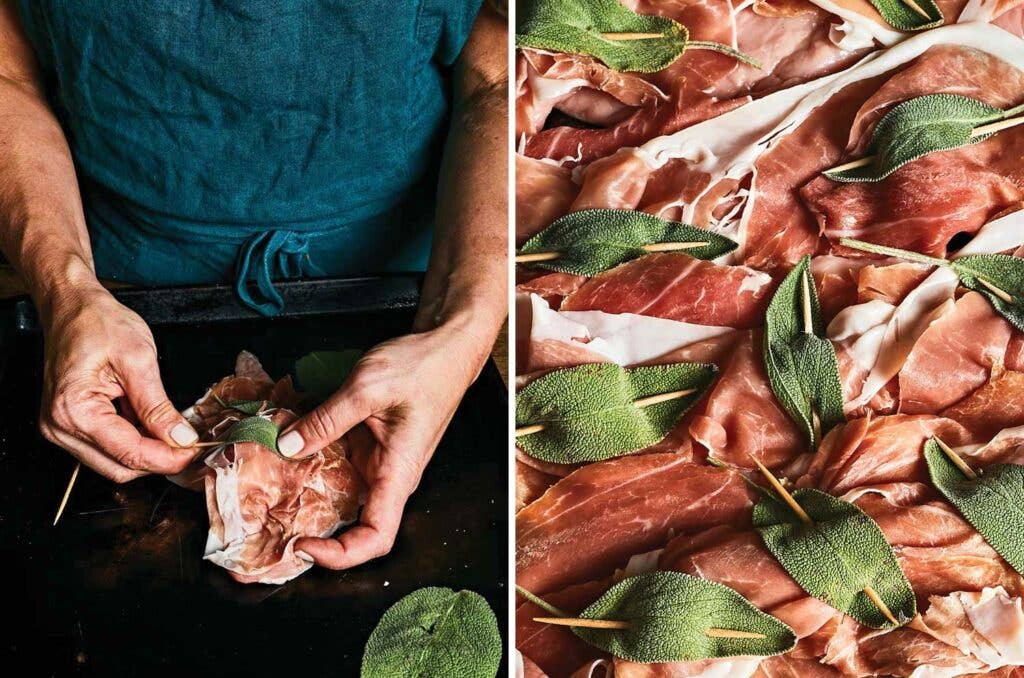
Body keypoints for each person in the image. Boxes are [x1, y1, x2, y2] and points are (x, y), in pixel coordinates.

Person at [0, 1, 507, 570]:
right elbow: (7, 70)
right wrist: (65, 287)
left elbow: (497, 70)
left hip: (412, 275)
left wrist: (466, 322)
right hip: (116, 272)